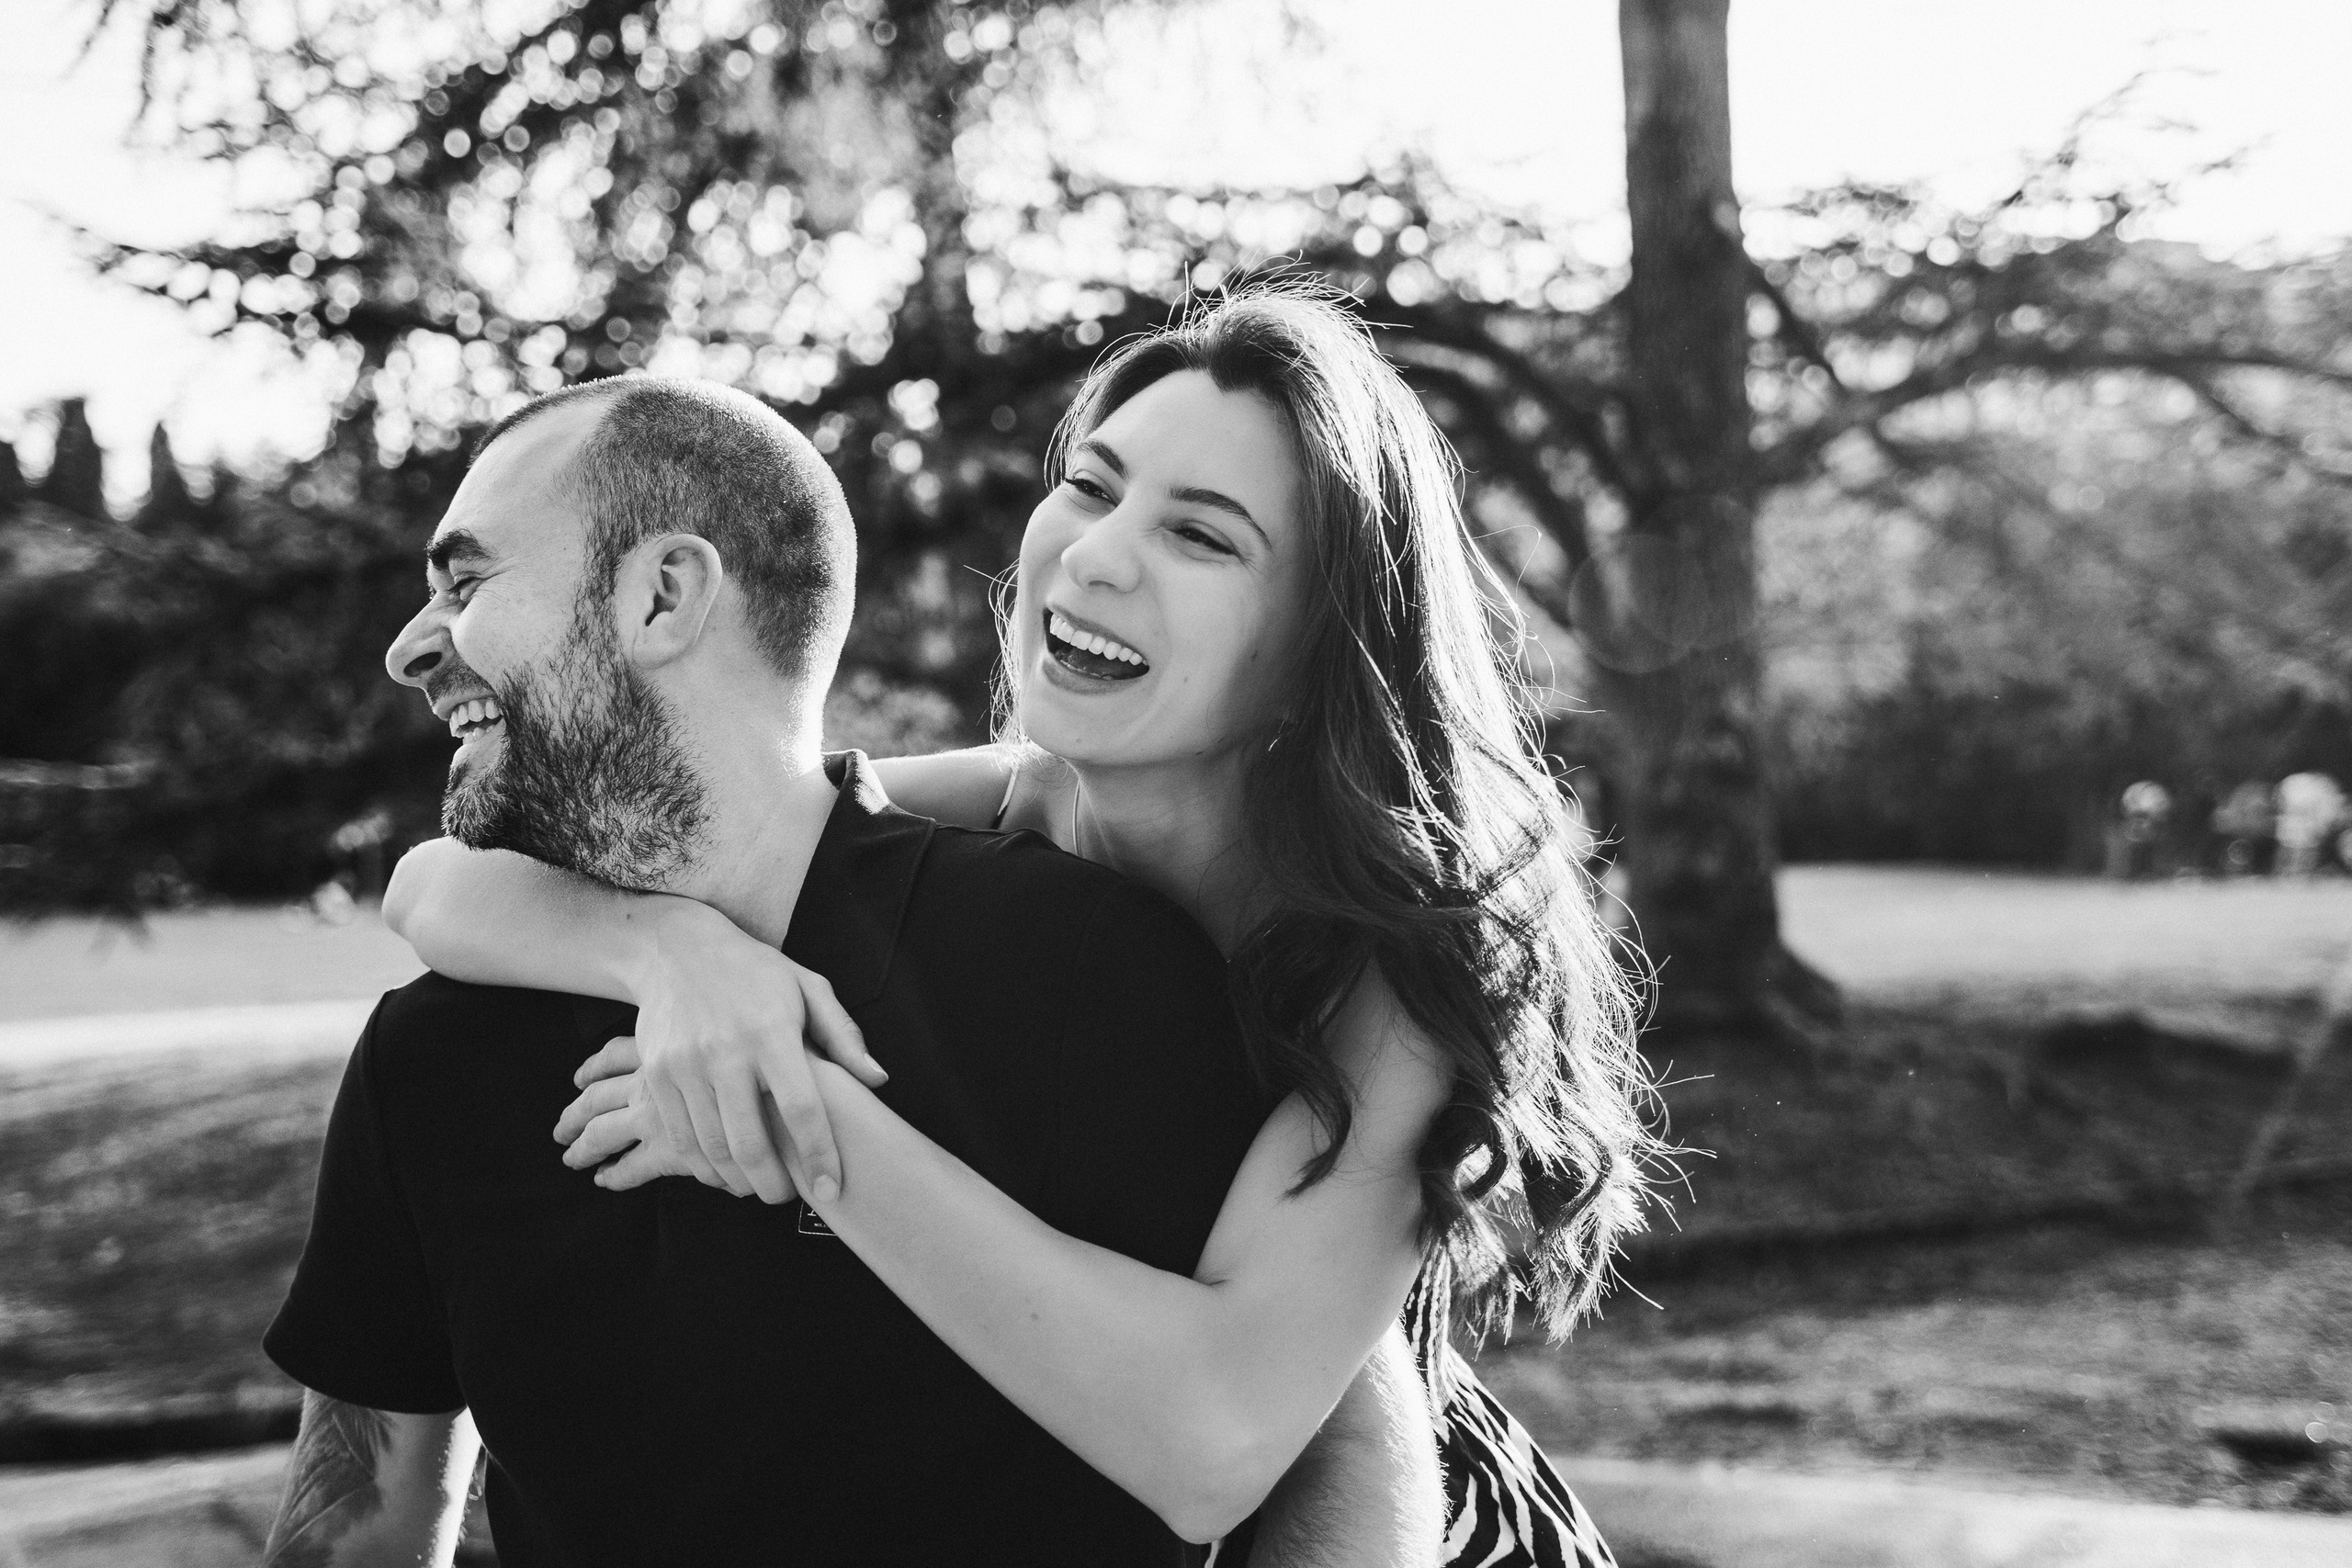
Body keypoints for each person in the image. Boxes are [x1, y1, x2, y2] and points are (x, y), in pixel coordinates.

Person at [388, 289, 1661, 1566]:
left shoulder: (1403, 948)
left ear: (1321, 639)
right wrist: (675, 957)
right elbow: (435, 888)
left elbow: (1220, 1437)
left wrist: (793, 1109)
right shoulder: (1014, 803)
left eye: (1203, 539)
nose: (1099, 556)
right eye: (1093, 487)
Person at [260, 378, 1289, 1566]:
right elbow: (352, 1533)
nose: (409, 648)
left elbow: (1288, 1453)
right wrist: (666, 950)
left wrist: (807, 1132)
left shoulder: (1094, 976)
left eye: (466, 581)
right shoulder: (428, 1055)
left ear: (663, 596)